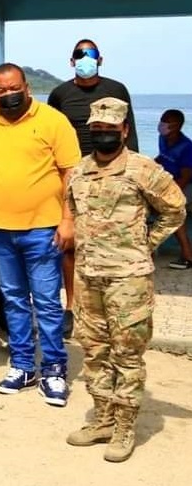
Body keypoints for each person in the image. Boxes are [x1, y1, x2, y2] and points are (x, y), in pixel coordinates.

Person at [66, 97, 185, 462]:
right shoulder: (79, 171)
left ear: (125, 131)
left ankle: (124, 427)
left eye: (110, 130)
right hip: (88, 277)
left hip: (128, 280)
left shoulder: (142, 169)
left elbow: (175, 208)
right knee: (94, 350)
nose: (102, 135)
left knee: (127, 355)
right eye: (96, 130)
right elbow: (72, 210)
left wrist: (144, 244)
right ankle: (102, 418)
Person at [0, 63, 81, 407]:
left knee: (48, 303)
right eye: (1, 91)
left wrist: (68, 220)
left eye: (13, 88)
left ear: (27, 87)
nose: (8, 95)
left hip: (43, 228)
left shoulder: (52, 120)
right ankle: (22, 366)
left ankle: (53, 369)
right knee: (14, 300)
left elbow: (71, 174)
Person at [48, 39, 139, 337]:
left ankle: (110, 308)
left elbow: (130, 132)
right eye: (79, 55)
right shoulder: (60, 94)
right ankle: (72, 307)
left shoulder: (117, 89)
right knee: (71, 245)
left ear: (101, 59)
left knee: (110, 244)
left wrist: (132, 176)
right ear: (71, 60)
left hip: (112, 174)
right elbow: (50, 136)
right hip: (75, 176)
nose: (85, 59)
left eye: (91, 55)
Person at [155, 109, 192, 269]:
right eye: (162, 120)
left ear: (177, 126)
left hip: (186, 185)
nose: (162, 124)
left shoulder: (187, 147)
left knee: (173, 210)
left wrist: (166, 194)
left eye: (166, 121)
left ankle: (187, 255)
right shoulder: (162, 138)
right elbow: (161, 158)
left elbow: (185, 177)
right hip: (168, 182)